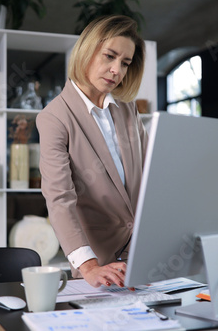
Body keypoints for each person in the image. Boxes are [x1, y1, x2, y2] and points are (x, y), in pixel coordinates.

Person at [37, 15, 148, 288]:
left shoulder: (127, 109)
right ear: (86, 51)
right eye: (109, 56)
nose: (116, 71)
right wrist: (89, 267)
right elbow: (59, 198)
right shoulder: (55, 117)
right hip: (100, 266)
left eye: (125, 63)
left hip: (143, 257)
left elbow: (149, 174)